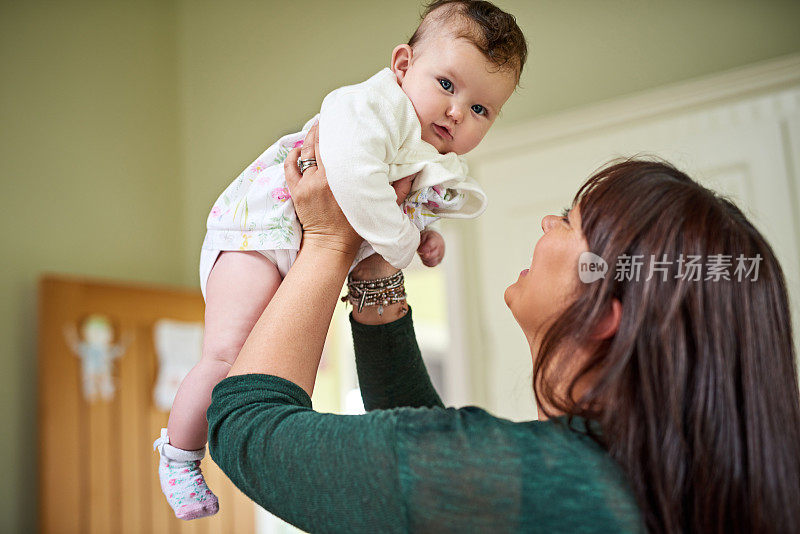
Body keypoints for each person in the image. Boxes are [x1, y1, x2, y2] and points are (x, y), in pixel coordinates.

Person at [206, 125, 800, 533]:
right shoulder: (656, 486)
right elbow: (429, 459)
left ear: (605, 311)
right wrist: (376, 270)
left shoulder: (551, 483)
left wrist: (330, 239)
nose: (548, 221)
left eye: (570, 222)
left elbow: (247, 425)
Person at [153, 0, 528, 520]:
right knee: (226, 357)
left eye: (482, 109)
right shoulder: (371, 108)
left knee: (265, 364)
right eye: (446, 85)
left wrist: (424, 235)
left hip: (294, 245)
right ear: (402, 66)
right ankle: (178, 455)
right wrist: (401, 243)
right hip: (254, 235)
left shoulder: (424, 149)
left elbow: (396, 206)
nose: (458, 112)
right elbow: (352, 184)